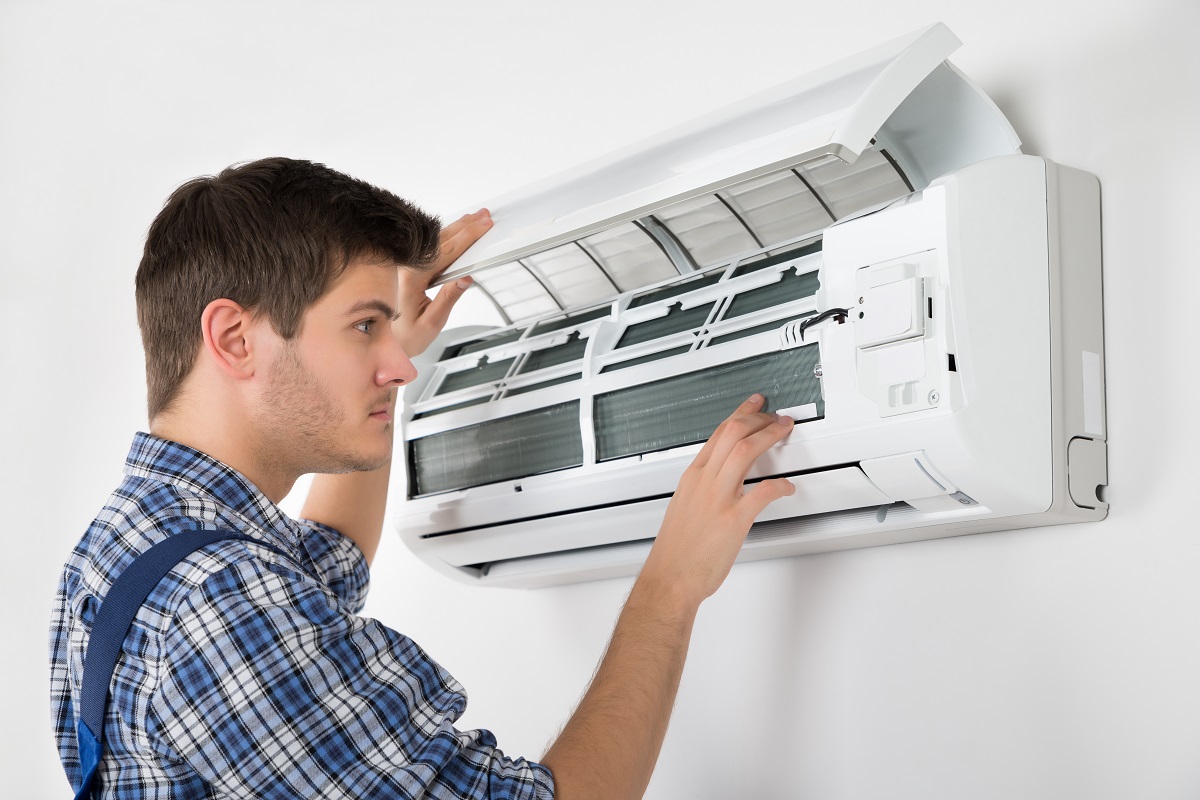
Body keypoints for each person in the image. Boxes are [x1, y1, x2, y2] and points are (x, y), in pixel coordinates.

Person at [50, 157, 797, 799]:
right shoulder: (222, 601)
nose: (401, 363)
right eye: (363, 326)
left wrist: (376, 370)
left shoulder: (133, 543)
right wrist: (671, 585)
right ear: (235, 339)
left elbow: (326, 565)